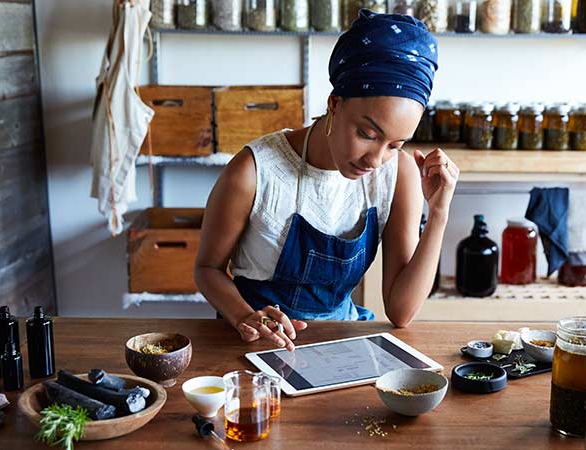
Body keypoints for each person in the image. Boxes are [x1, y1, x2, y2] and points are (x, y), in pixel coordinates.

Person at [194, 10, 458, 351]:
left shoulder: (399, 173)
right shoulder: (255, 170)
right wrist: (245, 316)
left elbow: (401, 311)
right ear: (334, 104)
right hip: (253, 343)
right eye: (367, 134)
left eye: (396, 144)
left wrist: (438, 214)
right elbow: (207, 269)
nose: (375, 159)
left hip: (339, 343)